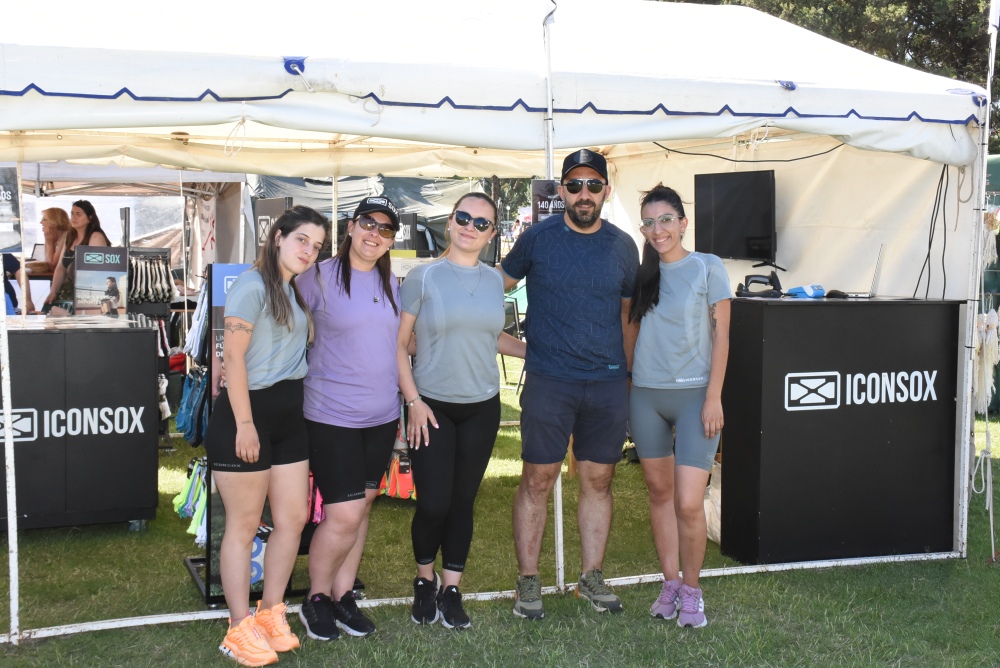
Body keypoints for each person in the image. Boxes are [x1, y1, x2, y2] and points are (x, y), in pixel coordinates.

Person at [500, 149, 639, 619]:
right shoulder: (536, 239)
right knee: (538, 478)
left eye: (593, 185)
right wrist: (508, 344)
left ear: (605, 191)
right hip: (550, 381)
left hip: (605, 383)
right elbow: (490, 289)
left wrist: (629, 376)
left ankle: (592, 577)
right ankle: (528, 582)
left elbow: (627, 318)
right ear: (561, 192)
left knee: (599, 479)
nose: (584, 193)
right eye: (575, 185)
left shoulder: (623, 246)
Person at [203, 205, 327, 667]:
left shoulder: (292, 291)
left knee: (292, 519)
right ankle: (238, 627)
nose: (309, 252)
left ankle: (271, 612)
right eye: (302, 241)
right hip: (246, 417)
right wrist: (246, 424)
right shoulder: (251, 286)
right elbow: (232, 359)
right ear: (278, 236)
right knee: (243, 524)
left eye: (316, 246)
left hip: (290, 418)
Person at [400, 193, 526, 630]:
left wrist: (534, 351)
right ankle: (423, 580)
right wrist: (413, 401)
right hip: (431, 406)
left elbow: (491, 337)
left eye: (483, 223)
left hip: (482, 407)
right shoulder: (422, 277)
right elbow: (400, 345)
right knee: (434, 503)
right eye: (464, 217)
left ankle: (451, 587)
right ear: (451, 222)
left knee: (462, 502)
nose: (471, 226)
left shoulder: (495, 282)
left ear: (492, 234)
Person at [296, 196, 401, 641]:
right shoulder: (315, 278)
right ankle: (315, 598)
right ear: (351, 227)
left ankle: (342, 596)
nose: (374, 234)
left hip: (381, 417)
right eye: (367, 223)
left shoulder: (395, 285)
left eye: (385, 229)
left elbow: (404, 345)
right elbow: (274, 316)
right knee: (343, 514)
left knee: (360, 510)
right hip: (331, 415)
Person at [628, 184, 732, 629]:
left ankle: (692, 590)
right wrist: (634, 380)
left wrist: (713, 397)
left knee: (689, 503)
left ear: (683, 222)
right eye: (649, 223)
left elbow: (724, 335)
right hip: (646, 397)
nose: (658, 230)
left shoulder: (708, 267)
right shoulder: (641, 275)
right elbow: (628, 330)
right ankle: (669, 583)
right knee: (659, 494)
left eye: (666, 219)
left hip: (696, 399)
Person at [43, 200, 110, 314]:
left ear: (90, 217)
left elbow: (96, 272)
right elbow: (60, 267)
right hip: (68, 293)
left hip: (88, 296)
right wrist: (53, 291)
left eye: (78, 214)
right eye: (72, 213)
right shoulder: (70, 237)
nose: (74, 217)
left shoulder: (95, 237)